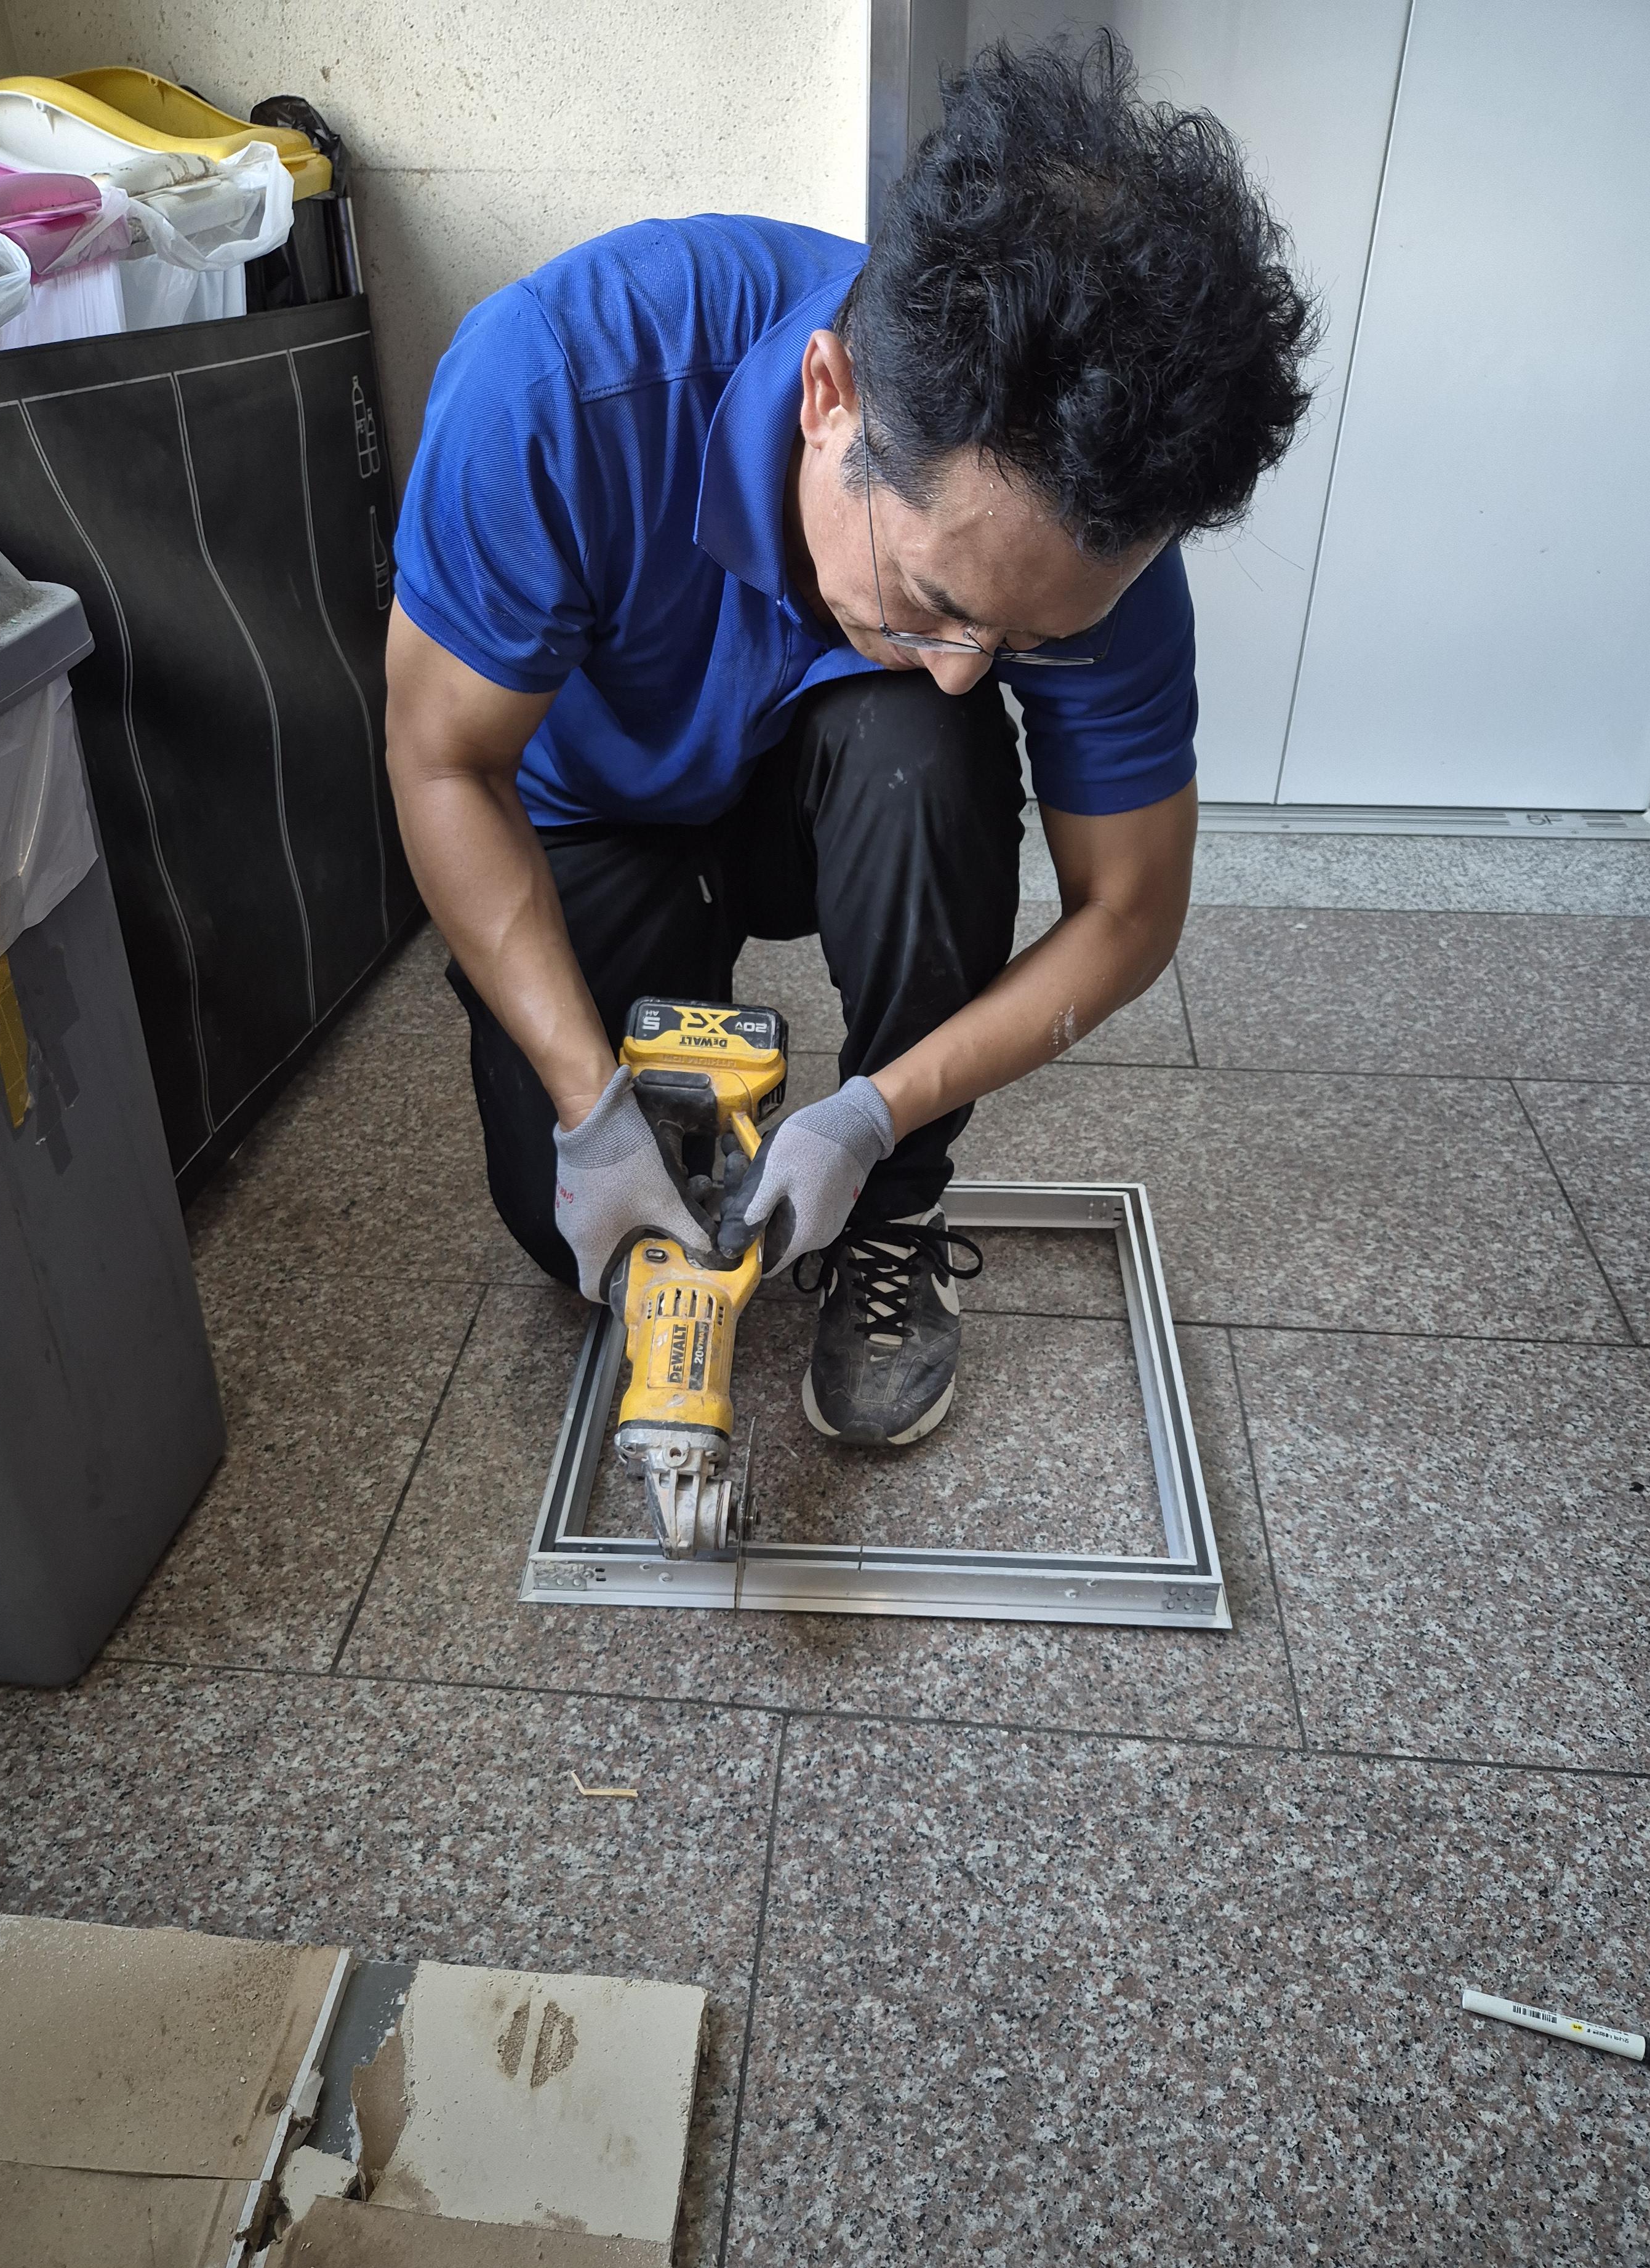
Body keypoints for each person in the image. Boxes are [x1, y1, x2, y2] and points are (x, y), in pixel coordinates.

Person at [386, 32, 1313, 1447]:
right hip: (586, 810)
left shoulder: (1094, 535)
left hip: (818, 786)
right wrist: (586, 1101)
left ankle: (890, 1220)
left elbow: (1131, 911)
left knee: (928, 749)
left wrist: (879, 1115)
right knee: (564, 1233)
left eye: (1023, 640)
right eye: (939, 600)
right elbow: (442, 759)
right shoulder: (556, 389)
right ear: (831, 401)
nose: (968, 668)